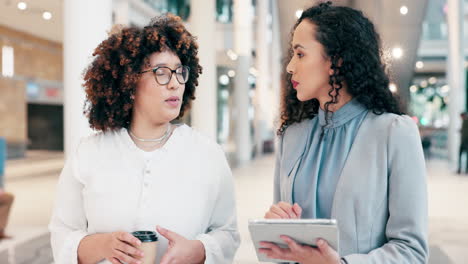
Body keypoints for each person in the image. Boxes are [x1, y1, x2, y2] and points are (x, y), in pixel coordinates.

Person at [49, 14, 239, 264]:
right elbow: (62, 233)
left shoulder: (207, 154)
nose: (174, 84)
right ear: (129, 81)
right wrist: (102, 245)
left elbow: (228, 233)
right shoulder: (89, 153)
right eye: (161, 72)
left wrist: (200, 250)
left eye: (180, 72)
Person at [261, 2, 428, 264]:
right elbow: (281, 251)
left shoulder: (394, 133)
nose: (290, 66)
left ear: (335, 61)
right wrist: (276, 230)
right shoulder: (291, 136)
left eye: (300, 54)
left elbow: (412, 250)